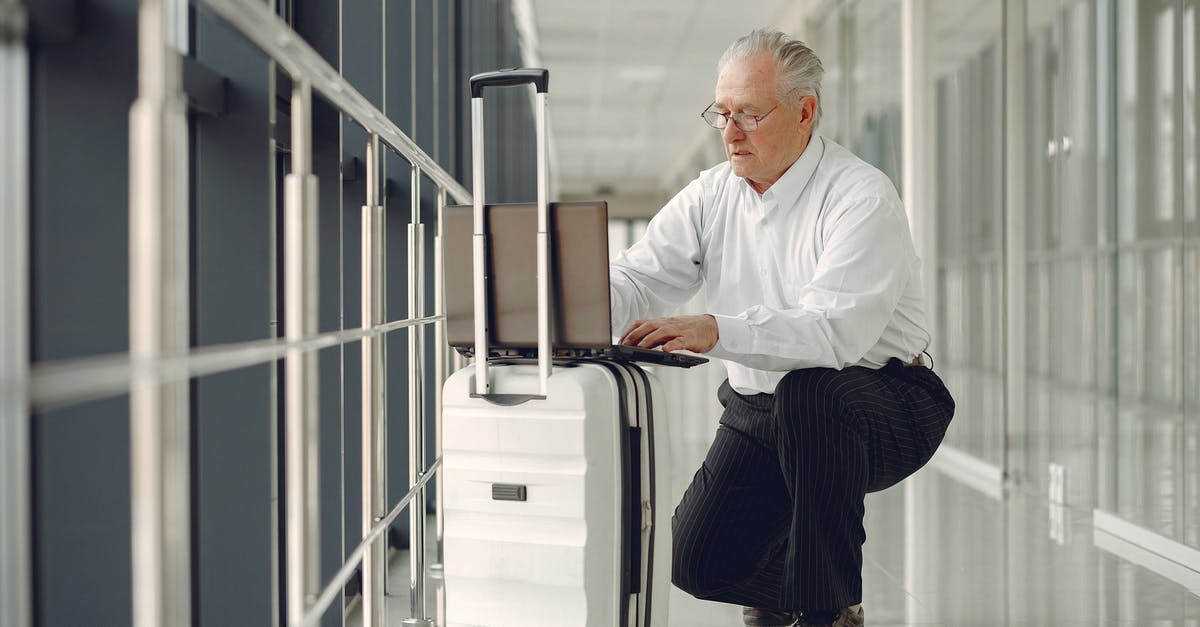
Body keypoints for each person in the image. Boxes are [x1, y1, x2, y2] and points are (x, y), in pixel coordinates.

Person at [609, 28, 956, 627]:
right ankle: (798, 592)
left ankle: (827, 610)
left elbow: (832, 335)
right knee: (697, 563)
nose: (730, 131)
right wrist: (576, 305)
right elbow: (641, 279)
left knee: (810, 393)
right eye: (721, 113)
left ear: (805, 111)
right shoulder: (712, 194)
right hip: (759, 406)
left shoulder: (859, 195)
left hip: (884, 401)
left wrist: (716, 329)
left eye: (749, 113)